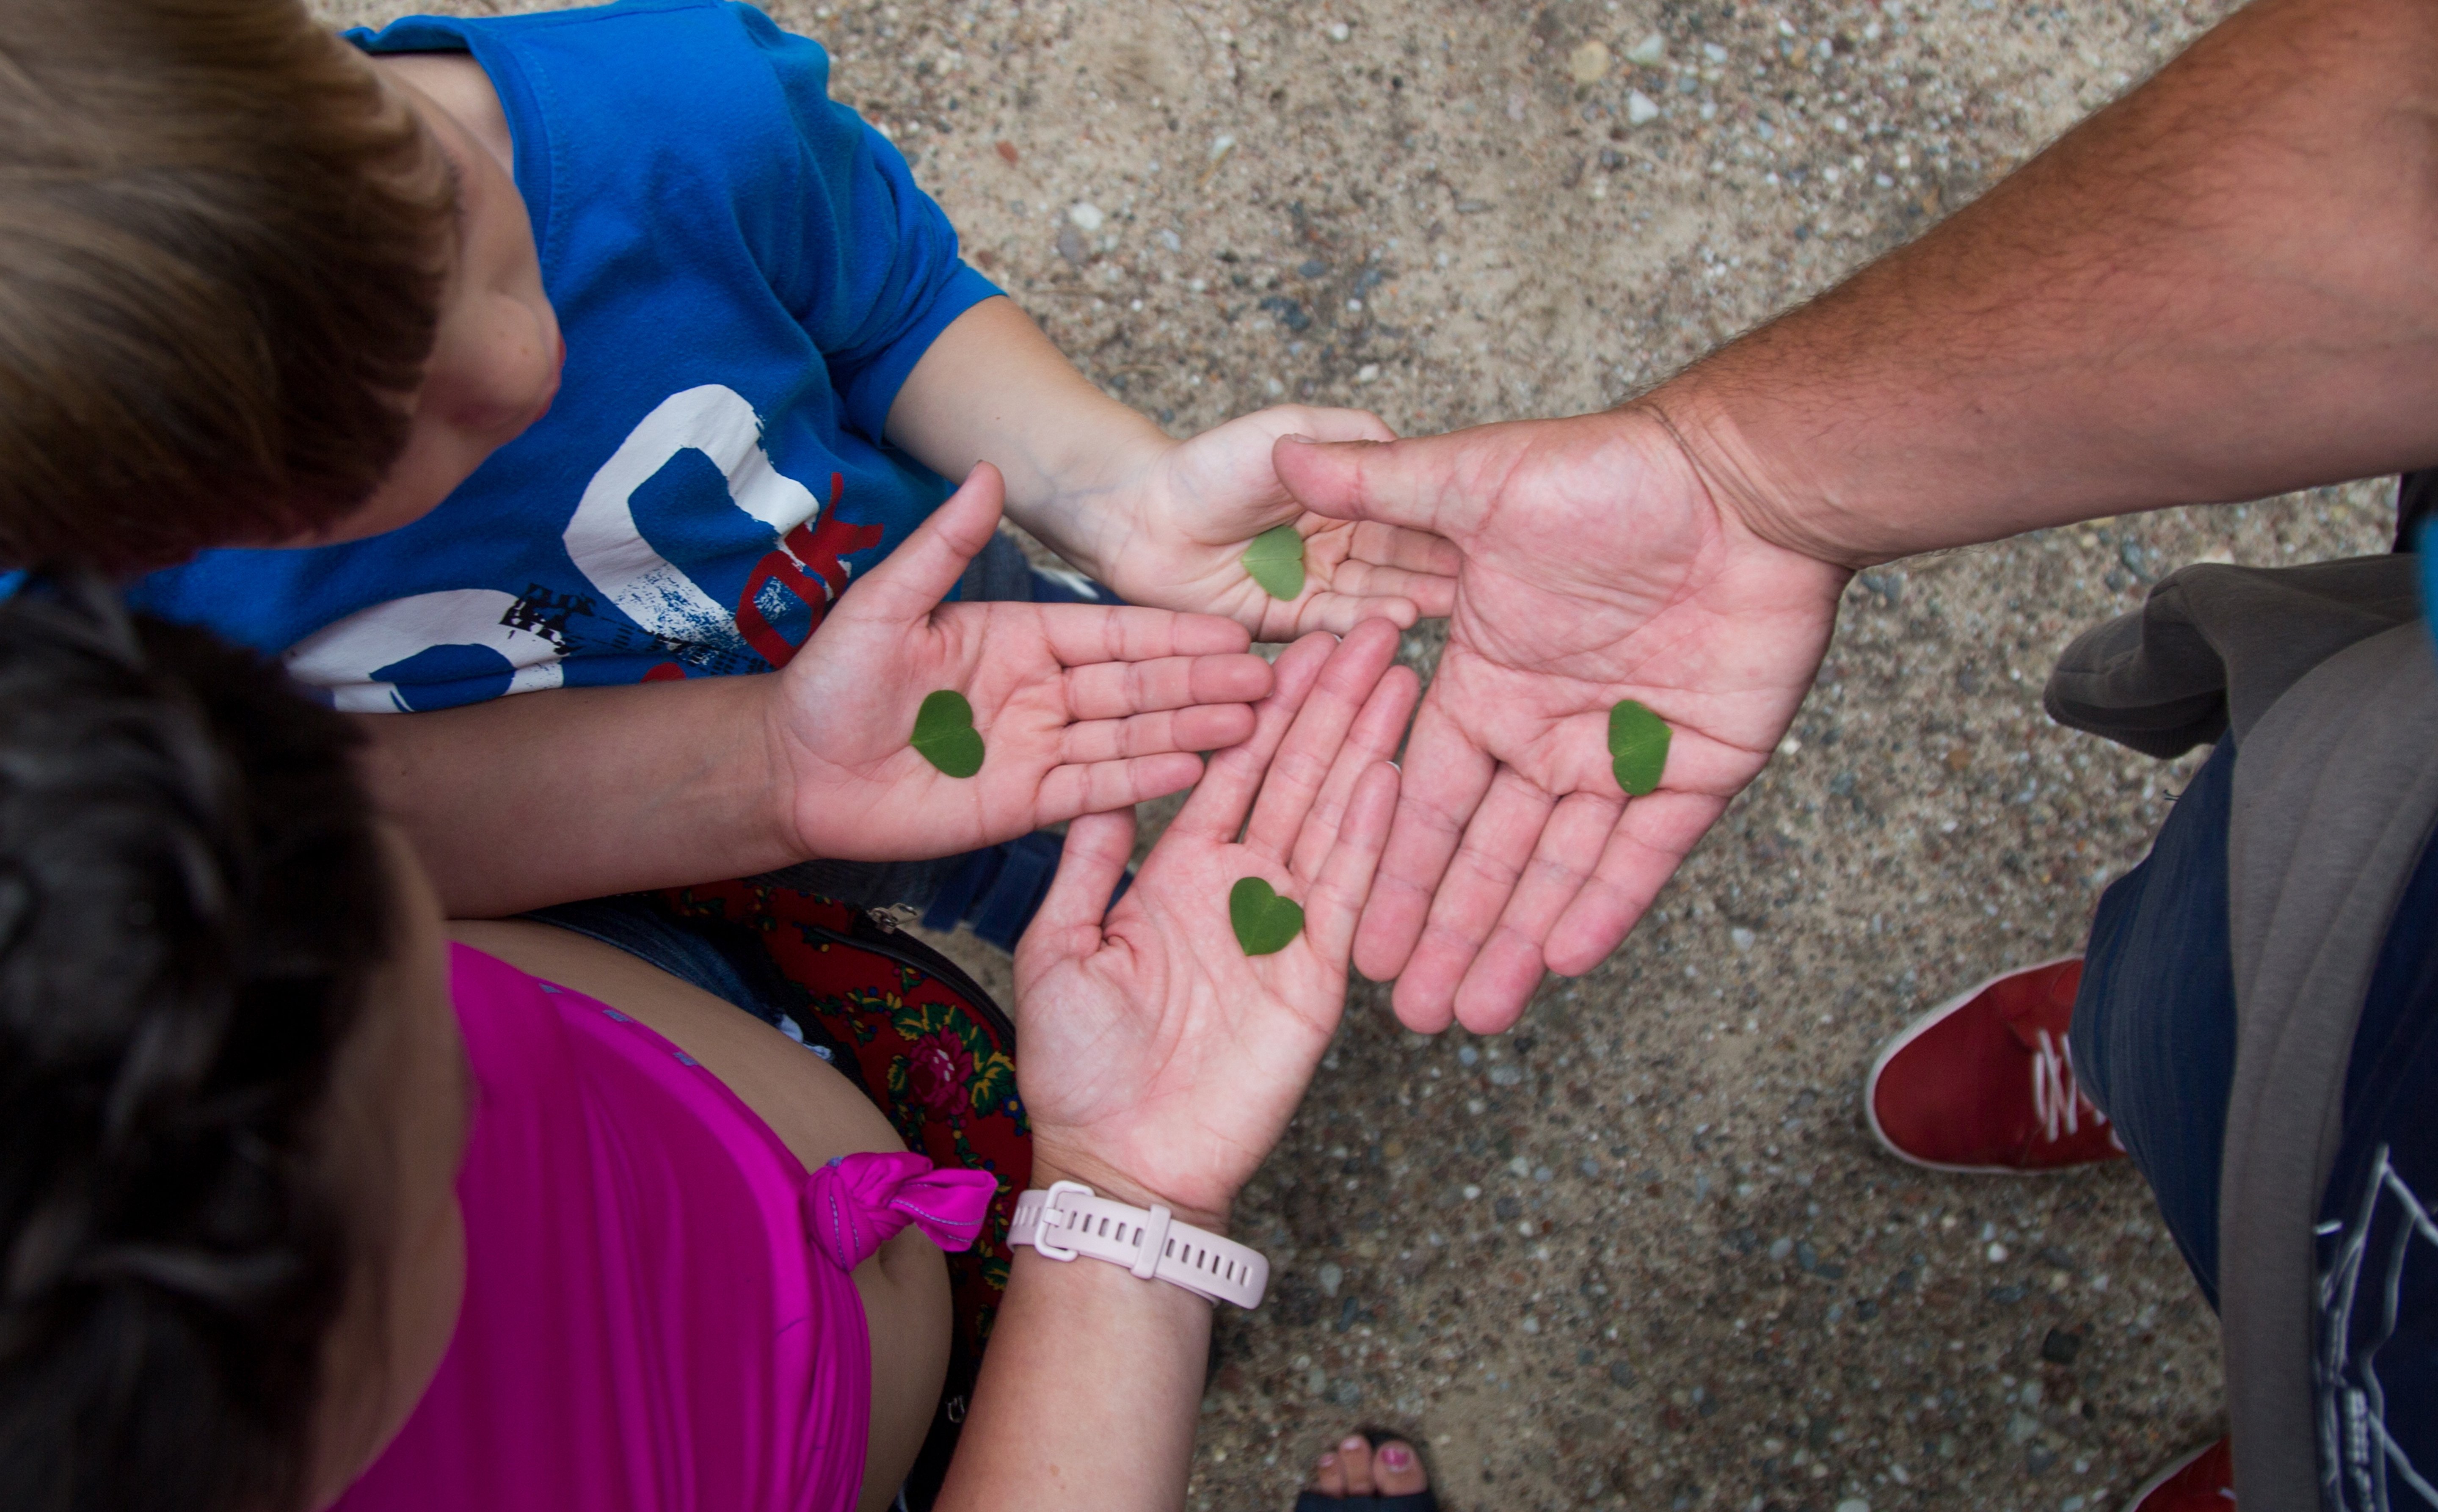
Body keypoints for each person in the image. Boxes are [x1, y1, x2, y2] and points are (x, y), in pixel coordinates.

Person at [1273, 0, 2438, 1503]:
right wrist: (1747, 480)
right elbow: (2404, 126)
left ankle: (2288, 1428)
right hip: (2378, 866)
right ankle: (2145, 1068)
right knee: (2182, 991)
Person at [0, 0, 1459, 931]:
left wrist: (1117, 492)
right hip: (638, 857)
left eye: (440, 211)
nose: (516, 366)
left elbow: (889, 304)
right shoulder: (66, 649)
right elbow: (321, 826)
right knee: (917, 875)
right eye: (389, 449)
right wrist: (764, 779)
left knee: (1106, 700)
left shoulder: (673, 115)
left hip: (922, 601)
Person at [0, 575, 1428, 1512]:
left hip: (783, 1036)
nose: (468, 1046)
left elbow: (378, 821)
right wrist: (1131, 1210)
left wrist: (768, 768)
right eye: (442, 1111)